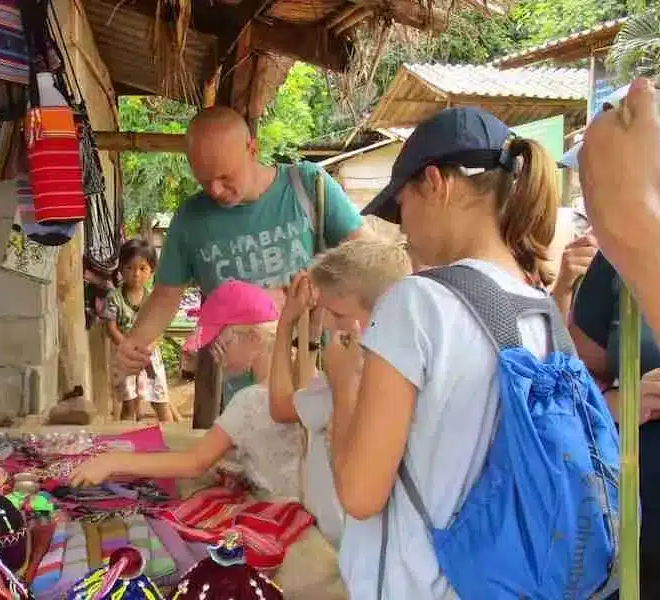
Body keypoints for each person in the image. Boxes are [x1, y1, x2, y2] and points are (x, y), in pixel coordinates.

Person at [330, 107, 567, 598]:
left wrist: (340, 385)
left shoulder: (417, 303)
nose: (403, 228)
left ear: (435, 183)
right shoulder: (542, 308)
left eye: (401, 206)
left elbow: (359, 494)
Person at [113, 106, 373, 416]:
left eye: (225, 177)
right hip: (243, 392)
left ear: (252, 149)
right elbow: (165, 296)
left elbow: (369, 260)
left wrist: (303, 291)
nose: (215, 190)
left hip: (316, 374)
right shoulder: (190, 219)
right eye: (204, 180)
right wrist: (135, 344)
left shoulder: (307, 186)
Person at [569, 69, 660, 597]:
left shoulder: (637, 231)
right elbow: (574, 378)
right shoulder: (631, 246)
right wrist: (618, 403)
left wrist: (633, 214)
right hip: (632, 549)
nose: (657, 158)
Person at [71, 280, 305, 503]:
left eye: (220, 344)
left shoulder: (250, 400)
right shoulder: (304, 377)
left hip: (278, 507)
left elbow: (194, 462)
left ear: (253, 338)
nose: (216, 357)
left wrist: (112, 462)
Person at [267, 238, 413, 546]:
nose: (330, 326)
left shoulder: (354, 373)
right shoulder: (400, 371)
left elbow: (280, 406)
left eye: (337, 315)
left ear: (383, 309)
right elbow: (304, 391)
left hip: (342, 543)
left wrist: (286, 325)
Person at [104, 239, 172, 423]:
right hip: (124, 356)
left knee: (160, 401)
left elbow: (159, 327)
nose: (136, 274)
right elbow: (111, 328)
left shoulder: (153, 299)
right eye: (130, 268)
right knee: (129, 404)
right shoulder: (114, 298)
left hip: (149, 355)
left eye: (142, 268)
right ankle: (127, 437)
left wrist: (149, 347)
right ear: (121, 269)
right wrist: (127, 347)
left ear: (152, 271)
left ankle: (169, 435)